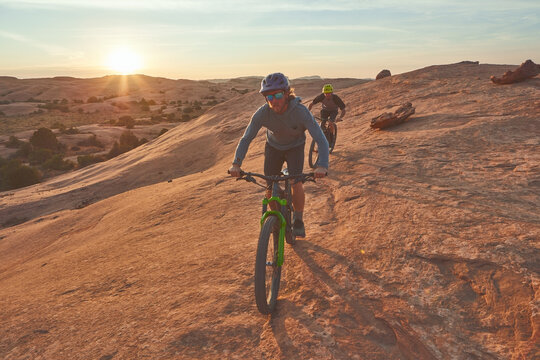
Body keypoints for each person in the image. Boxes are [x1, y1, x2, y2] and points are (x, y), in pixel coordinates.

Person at [229, 72, 329, 238]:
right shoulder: (262, 113)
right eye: (269, 97)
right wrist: (236, 163)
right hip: (273, 147)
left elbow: (320, 138)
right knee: (270, 185)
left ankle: (298, 220)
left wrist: (322, 165)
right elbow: (246, 138)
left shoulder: (301, 112)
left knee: (296, 183)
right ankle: (276, 218)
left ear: (287, 93)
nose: (274, 100)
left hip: (295, 147)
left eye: (278, 95)